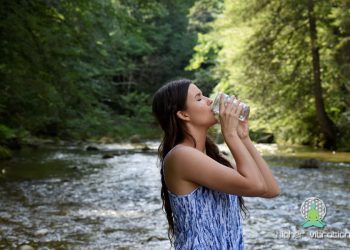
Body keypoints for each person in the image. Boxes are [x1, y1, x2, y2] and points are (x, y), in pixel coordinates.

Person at [152, 79, 280, 249]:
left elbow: (270, 189)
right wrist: (229, 134)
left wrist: (243, 137)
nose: (209, 100)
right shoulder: (182, 156)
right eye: (199, 98)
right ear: (184, 114)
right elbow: (255, 185)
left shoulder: (211, 157)